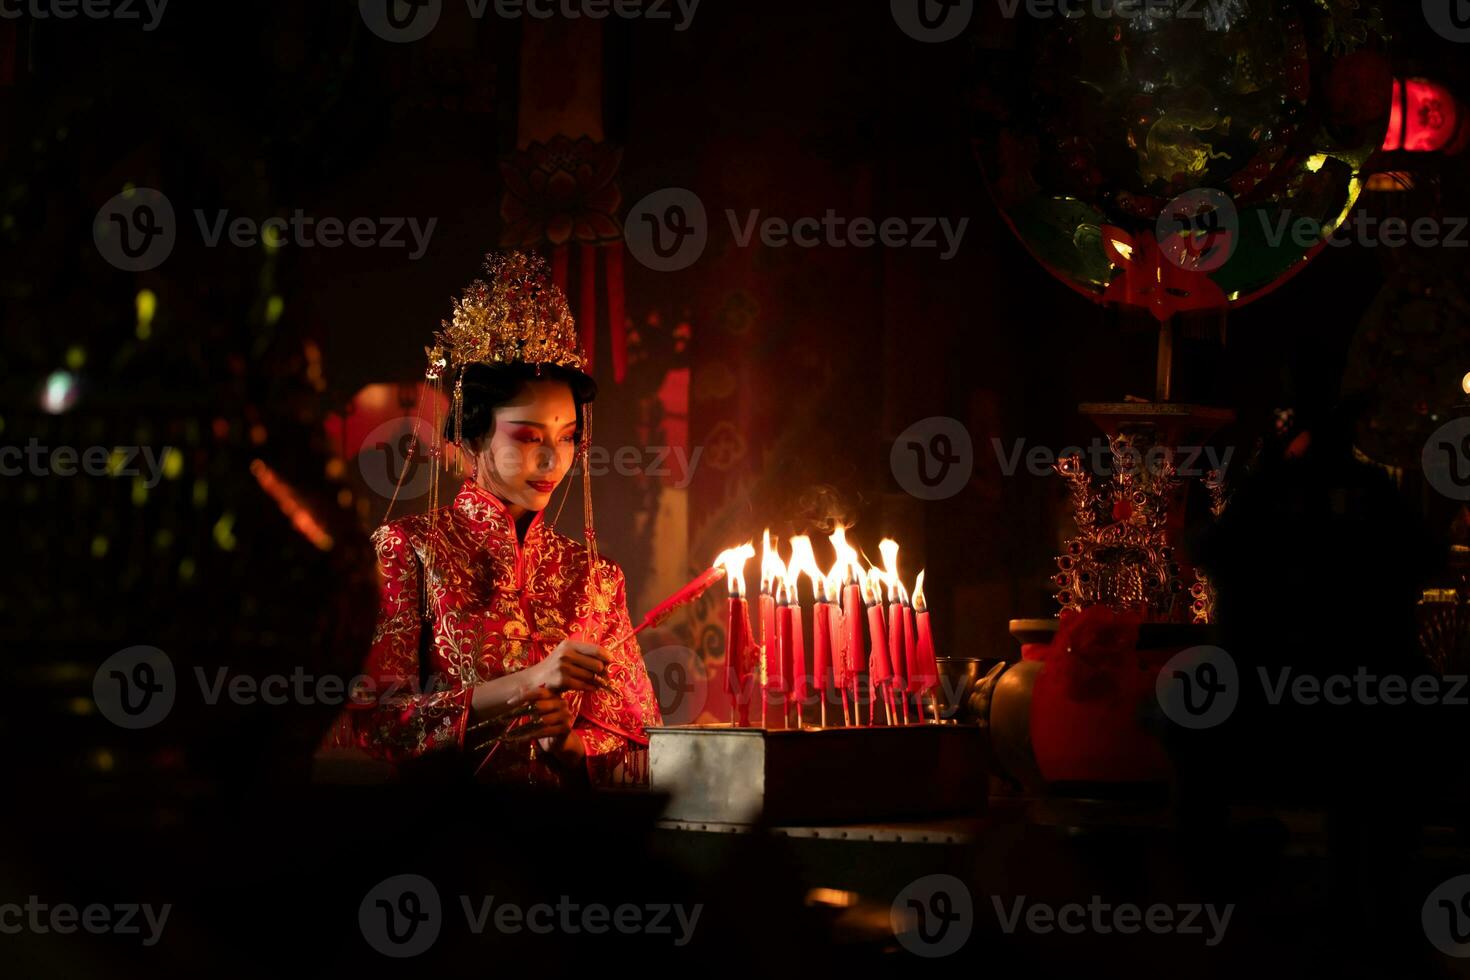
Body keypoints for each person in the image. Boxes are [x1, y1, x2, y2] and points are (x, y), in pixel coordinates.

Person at [349, 250, 661, 786]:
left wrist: (570, 742)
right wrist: (527, 684)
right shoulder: (407, 549)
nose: (551, 460)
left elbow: (643, 739)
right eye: (528, 436)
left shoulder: (596, 578)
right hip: (441, 845)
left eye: (566, 439)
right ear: (472, 434)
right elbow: (376, 725)